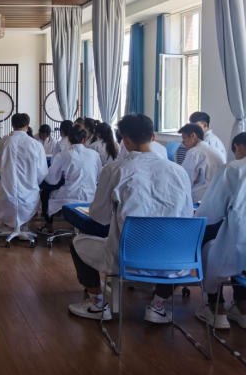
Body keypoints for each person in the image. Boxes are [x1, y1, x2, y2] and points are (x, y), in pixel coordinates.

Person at [68, 114, 194, 324]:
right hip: (175, 259)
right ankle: (158, 305)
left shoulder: (115, 170)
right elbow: (187, 215)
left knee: (77, 242)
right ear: (153, 137)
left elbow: (99, 217)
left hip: (128, 257)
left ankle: (97, 304)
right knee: (170, 247)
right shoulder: (179, 172)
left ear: (125, 139)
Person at [195, 132, 246, 330]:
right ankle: (243, 308)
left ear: (237, 147)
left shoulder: (233, 169)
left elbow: (210, 213)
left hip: (239, 245)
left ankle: (218, 310)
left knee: (206, 241)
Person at [0, 114, 48, 242]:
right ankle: (23, 227)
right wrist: (32, 183)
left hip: (6, 193)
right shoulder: (36, 145)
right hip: (29, 196)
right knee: (29, 198)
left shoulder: (4, 142)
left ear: (12, 125)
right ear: (27, 126)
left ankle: (9, 226)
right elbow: (42, 172)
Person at [38, 125, 102, 235]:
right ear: (84, 139)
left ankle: (49, 226)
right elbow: (99, 177)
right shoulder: (95, 155)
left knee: (45, 194)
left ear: (69, 139)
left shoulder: (63, 155)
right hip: (91, 196)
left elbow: (52, 180)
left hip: (69, 196)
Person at [179, 123, 226, 203]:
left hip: (201, 197)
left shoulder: (194, 152)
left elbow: (185, 178)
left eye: (184, 138)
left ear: (193, 135)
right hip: (219, 195)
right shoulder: (215, 149)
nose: (182, 142)